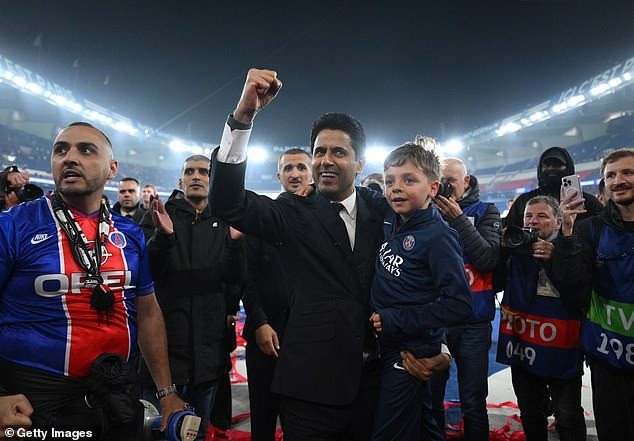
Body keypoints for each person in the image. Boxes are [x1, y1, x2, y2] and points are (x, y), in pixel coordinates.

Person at [208, 68, 449, 440]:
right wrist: (244, 117)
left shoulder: (384, 208)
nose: (326, 159)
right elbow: (228, 204)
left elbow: (425, 278)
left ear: (360, 163)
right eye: (319, 151)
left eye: (338, 151)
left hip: (378, 385)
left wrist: (441, 347)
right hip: (310, 390)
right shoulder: (291, 211)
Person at [0, 122, 184, 438]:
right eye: (61, 150)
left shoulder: (130, 233)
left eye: (86, 150)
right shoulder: (13, 226)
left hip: (118, 397)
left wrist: (167, 393)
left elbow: (148, 311)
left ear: (112, 168)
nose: (70, 157)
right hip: (32, 402)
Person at [369, 143, 473, 441]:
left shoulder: (439, 238)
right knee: (425, 426)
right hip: (390, 342)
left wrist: (397, 318)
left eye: (409, 180)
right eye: (390, 181)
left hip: (410, 350)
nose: (396, 188)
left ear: (433, 188)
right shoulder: (393, 217)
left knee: (387, 434)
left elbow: (460, 305)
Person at [140, 154, 245, 441]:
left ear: (213, 180)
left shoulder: (227, 221)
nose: (196, 176)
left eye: (203, 171)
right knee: (154, 435)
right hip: (163, 356)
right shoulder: (158, 215)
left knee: (195, 435)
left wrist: (236, 245)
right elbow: (144, 274)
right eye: (190, 171)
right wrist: (163, 238)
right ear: (180, 180)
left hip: (208, 359)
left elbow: (235, 277)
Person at [553, 148, 634, 441]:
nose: (618, 180)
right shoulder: (590, 229)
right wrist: (566, 232)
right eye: (611, 175)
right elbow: (573, 287)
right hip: (607, 358)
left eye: (627, 172)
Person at [496, 195, 586, 441]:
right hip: (523, 343)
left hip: (561, 346)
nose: (533, 221)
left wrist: (557, 256)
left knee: (567, 413)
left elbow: (580, 292)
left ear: (558, 222)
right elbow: (495, 283)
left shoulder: (572, 247)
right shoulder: (515, 246)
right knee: (530, 409)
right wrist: (502, 251)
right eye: (528, 216)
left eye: (541, 216)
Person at [242, 148, 312, 440]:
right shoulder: (262, 219)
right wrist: (259, 322)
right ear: (278, 175)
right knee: (263, 418)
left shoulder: (327, 220)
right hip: (265, 339)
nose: (295, 174)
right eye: (288, 168)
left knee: (305, 423)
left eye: (301, 167)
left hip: (311, 339)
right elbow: (247, 275)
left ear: (312, 173)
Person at [430, 157, 501, 440]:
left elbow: (487, 259)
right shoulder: (424, 211)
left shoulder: (486, 211)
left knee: (473, 402)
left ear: (466, 181)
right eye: (441, 181)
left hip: (473, 322)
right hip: (436, 322)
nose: (446, 187)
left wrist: (459, 219)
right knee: (432, 397)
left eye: (451, 180)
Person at [504, 146, 603, 229]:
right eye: (547, 165)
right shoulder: (523, 201)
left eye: (557, 165)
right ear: (540, 169)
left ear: (568, 168)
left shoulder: (587, 202)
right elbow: (509, 232)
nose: (551, 168)